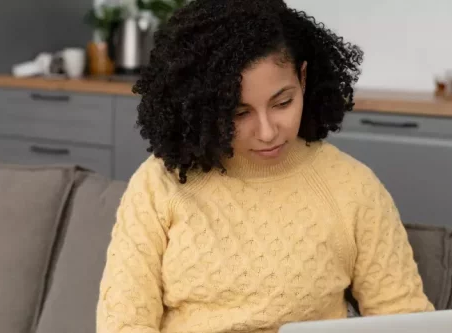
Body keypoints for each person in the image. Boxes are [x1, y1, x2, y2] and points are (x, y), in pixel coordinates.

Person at [96, 0, 434, 332]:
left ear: (303, 78)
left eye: (282, 103)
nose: (268, 132)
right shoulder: (159, 185)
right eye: (239, 113)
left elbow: (402, 318)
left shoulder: (354, 187)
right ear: (204, 107)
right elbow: (124, 323)